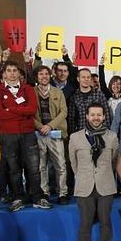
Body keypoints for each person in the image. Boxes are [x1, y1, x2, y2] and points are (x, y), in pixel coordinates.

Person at [0, 60, 51, 212]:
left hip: (28, 134)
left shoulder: (28, 89)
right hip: (8, 136)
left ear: (19, 73)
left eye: (14, 70)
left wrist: (10, 109)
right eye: (9, 70)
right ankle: (18, 197)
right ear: (4, 74)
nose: (12, 73)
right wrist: (20, 111)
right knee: (14, 169)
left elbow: (31, 110)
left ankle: (37, 197)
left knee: (34, 168)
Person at [69, 102, 118, 241]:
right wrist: (84, 176)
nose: (96, 118)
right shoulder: (75, 137)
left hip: (106, 185)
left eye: (99, 115)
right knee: (85, 222)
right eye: (93, 115)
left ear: (104, 116)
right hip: (84, 186)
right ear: (87, 116)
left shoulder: (112, 136)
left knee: (105, 221)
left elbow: (114, 160)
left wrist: (103, 173)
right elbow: (73, 163)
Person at [33, 65, 69, 204]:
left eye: (46, 74)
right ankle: (44, 193)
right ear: (37, 77)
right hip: (38, 133)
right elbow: (29, 113)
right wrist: (40, 126)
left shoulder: (57, 92)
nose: (44, 76)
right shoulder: (31, 92)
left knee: (60, 164)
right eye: (41, 74)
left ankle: (62, 193)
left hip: (55, 133)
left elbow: (63, 112)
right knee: (41, 166)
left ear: (50, 76)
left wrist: (50, 126)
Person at [68, 68, 111, 134]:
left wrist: (106, 132)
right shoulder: (74, 97)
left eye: (88, 77)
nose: (86, 79)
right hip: (81, 134)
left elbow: (106, 115)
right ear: (78, 79)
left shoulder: (99, 94)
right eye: (83, 77)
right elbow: (71, 119)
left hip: (98, 133)